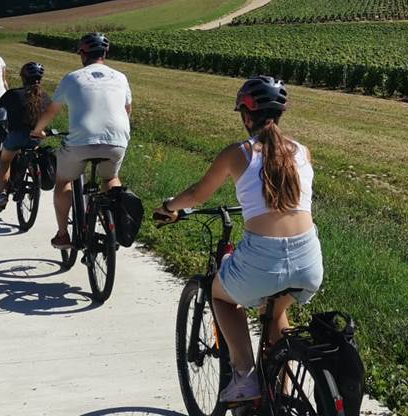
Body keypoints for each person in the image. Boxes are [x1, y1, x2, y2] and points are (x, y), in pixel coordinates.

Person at [155, 75, 323, 404]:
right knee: (275, 313)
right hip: (309, 261)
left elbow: (196, 194)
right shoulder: (303, 151)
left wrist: (168, 208)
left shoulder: (238, 154)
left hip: (263, 259)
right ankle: (280, 396)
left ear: (247, 115)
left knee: (220, 296)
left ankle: (245, 376)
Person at [30, 32, 131, 250]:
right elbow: (127, 110)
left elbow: (51, 110)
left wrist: (37, 131)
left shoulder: (72, 77)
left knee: (64, 180)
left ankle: (63, 234)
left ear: (82, 54)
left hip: (80, 141)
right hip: (117, 139)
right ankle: (114, 223)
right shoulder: (120, 77)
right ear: (105, 53)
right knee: (110, 177)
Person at [0, 62, 51, 212]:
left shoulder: (13, 94)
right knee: (31, 153)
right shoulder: (46, 97)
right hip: (36, 136)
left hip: (16, 136)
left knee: (4, 161)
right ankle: (34, 178)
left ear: (23, 78)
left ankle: (2, 194)